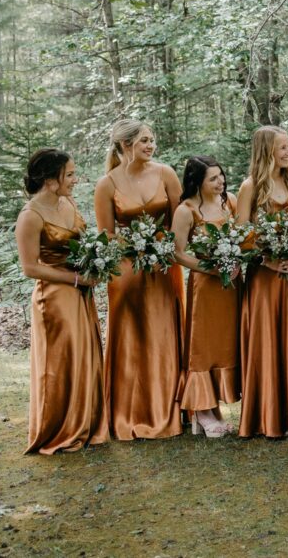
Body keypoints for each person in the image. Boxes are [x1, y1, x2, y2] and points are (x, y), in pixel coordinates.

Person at [16, 149, 109, 454]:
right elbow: (30, 267)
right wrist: (74, 279)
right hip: (55, 296)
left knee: (85, 354)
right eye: (69, 174)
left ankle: (87, 423)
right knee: (61, 361)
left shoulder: (68, 202)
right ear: (50, 179)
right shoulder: (30, 216)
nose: (75, 179)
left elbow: (82, 241)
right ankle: (60, 428)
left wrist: (94, 264)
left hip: (82, 290)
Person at [95, 119, 184, 440]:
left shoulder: (166, 173)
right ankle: (127, 413)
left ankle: (169, 408)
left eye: (152, 139)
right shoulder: (107, 184)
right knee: (132, 338)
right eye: (144, 140)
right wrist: (136, 246)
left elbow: (180, 218)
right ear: (125, 145)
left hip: (163, 265)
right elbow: (106, 235)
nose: (151, 145)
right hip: (127, 270)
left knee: (163, 333)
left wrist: (163, 247)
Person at [236, 126, 288, 438]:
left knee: (287, 335)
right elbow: (240, 237)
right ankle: (264, 415)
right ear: (267, 152)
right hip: (264, 273)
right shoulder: (250, 187)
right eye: (282, 148)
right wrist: (268, 258)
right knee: (265, 338)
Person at [172, 156, 241, 437]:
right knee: (205, 345)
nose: (220, 182)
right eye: (213, 178)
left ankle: (216, 407)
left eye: (221, 176)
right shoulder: (186, 210)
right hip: (206, 285)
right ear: (197, 182)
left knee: (226, 342)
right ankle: (201, 411)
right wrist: (209, 268)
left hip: (234, 283)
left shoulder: (230, 202)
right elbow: (177, 252)